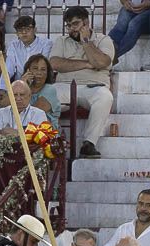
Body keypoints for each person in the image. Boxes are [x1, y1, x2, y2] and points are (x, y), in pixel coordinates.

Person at [49, 6, 114, 159]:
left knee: (105, 97)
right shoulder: (61, 41)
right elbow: (55, 63)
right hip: (64, 86)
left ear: (86, 23)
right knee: (47, 96)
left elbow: (101, 62)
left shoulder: (103, 40)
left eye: (75, 24)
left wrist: (86, 42)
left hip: (94, 87)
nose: (71, 29)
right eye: (68, 25)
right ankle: (51, 142)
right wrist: (86, 64)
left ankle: (89, 144)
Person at [6, 15, 53, 82]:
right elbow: (8, 70)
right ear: (16, 33)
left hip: (40, 83)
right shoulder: (13, 45)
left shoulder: (46, 43)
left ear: (35, 30)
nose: (24, 32)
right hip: (20, 85)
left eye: (28, 29)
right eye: (20, 30)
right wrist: (3, 88)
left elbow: (42, 67)